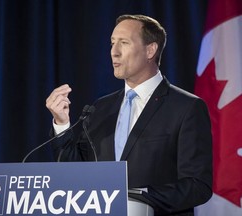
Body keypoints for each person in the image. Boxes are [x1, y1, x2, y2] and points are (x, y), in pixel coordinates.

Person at [46, 14, 212, 216]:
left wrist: (138, 196)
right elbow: (75, 175)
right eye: (112, 43)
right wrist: (62, 124)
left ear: (150, 50)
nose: (114, 52)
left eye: (123, 43)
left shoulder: (187, 107)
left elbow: (197, 186)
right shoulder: (100, 108)